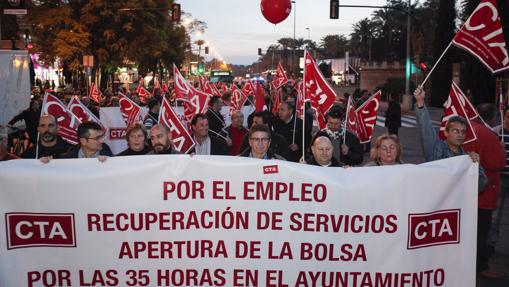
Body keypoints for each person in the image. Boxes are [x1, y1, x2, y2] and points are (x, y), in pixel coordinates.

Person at [413, 86, 486, 192]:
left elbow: (480, 186)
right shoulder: (436, 149)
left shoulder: (466, 157)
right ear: (446, 132)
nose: (460, 135)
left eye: (462, 132)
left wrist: (476, 166)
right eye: (455, 131)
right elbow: (426, 128)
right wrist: (420, 102)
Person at [462, 103, 505, 279]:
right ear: (493, 117)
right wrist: (500, 146)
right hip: (484, 192)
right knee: (481, 232)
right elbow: (497, 163)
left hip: (466, 189)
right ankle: (480, 266)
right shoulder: (488, 134)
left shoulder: (468, 129)